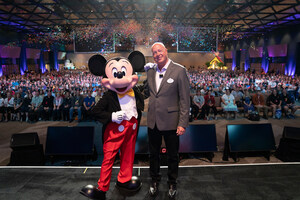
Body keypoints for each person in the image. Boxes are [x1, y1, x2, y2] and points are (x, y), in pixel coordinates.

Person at [144, 42, 190, 199]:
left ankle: (172, 182)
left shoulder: (179, 70)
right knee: (153, 155)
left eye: (159, 51)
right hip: (153, 121)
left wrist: (182, 123)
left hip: (172, 121)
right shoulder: (150, 71)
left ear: (166, 51)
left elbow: (184, 100)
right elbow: (149, 93)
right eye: (154, 52)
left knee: (172, 155)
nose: (157, 54)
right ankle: (154, 180)